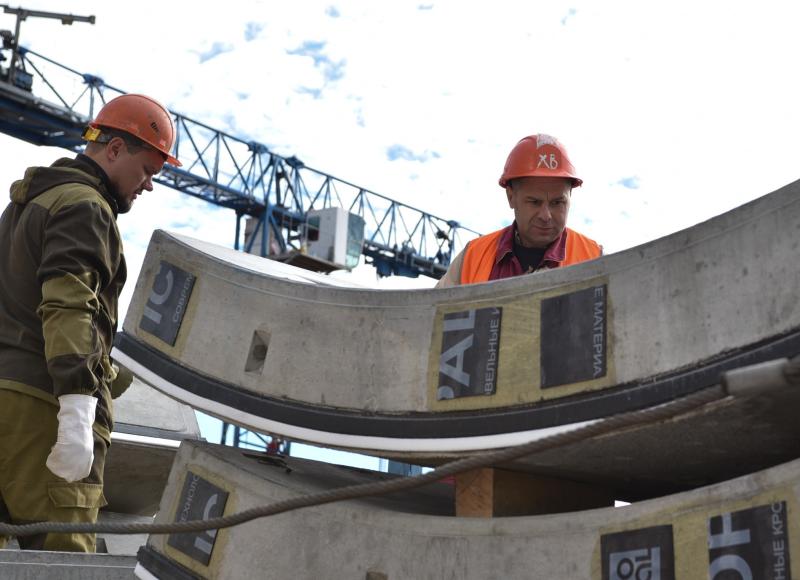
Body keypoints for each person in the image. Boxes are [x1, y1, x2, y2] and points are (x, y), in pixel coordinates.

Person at [0, 93, 181, 552]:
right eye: (147, 171)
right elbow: (70, 307)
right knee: (63, 555)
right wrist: (79, 410)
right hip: (43, 412)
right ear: (115, 149)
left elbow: (22, 308)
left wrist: (111, 374)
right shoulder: (86, 207)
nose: (148, 186)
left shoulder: (26, 205)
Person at [437, 134, 601, 288]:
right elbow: (432, 313)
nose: (546, 215)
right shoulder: (472, 258)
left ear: (570, 197)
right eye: (534, 202)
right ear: (511, 197)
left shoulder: (595, 259)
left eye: (557, 202)